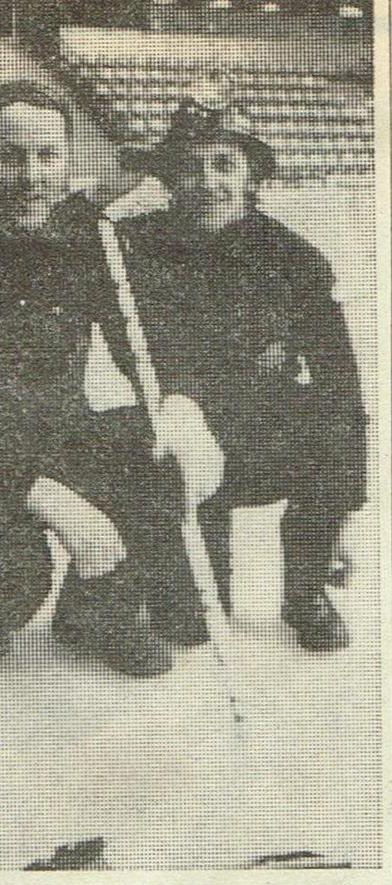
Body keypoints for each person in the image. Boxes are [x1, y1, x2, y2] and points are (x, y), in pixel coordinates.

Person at [0, 80, 208, 679]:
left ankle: (94, 613)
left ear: (67, 158)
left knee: (155, 456)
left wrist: (175, 406)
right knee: (12, 587)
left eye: (47, 156)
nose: (31, 174)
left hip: (61, 431)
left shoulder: (87, 236)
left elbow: (133, 341)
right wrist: (38, 489)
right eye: (11, 156)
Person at [117, 96, 367, 651]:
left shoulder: (294, 259)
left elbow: (340, 381)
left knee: (339, 425)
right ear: (169, 179)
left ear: (251, 175)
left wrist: (338, 517)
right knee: (195, 626)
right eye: (189, 167)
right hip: (180, 441)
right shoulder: (131, 244)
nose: (207, 183)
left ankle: (305, 587)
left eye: (224, 165)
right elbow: (57, 243)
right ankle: (142, 583)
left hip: (263, 435)